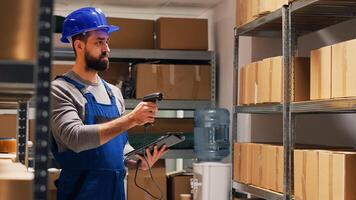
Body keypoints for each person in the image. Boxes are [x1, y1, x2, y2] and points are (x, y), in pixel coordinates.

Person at [50, 7, 167, 200]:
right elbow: (75, 138)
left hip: (115, 193)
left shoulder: (114, 92)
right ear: (79, 46)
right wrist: (131, 119)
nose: (107, 49)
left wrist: (136, 161)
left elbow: (119, 145)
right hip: (80, 194)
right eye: (99, 42)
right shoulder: (61, 89)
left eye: (107, 41)